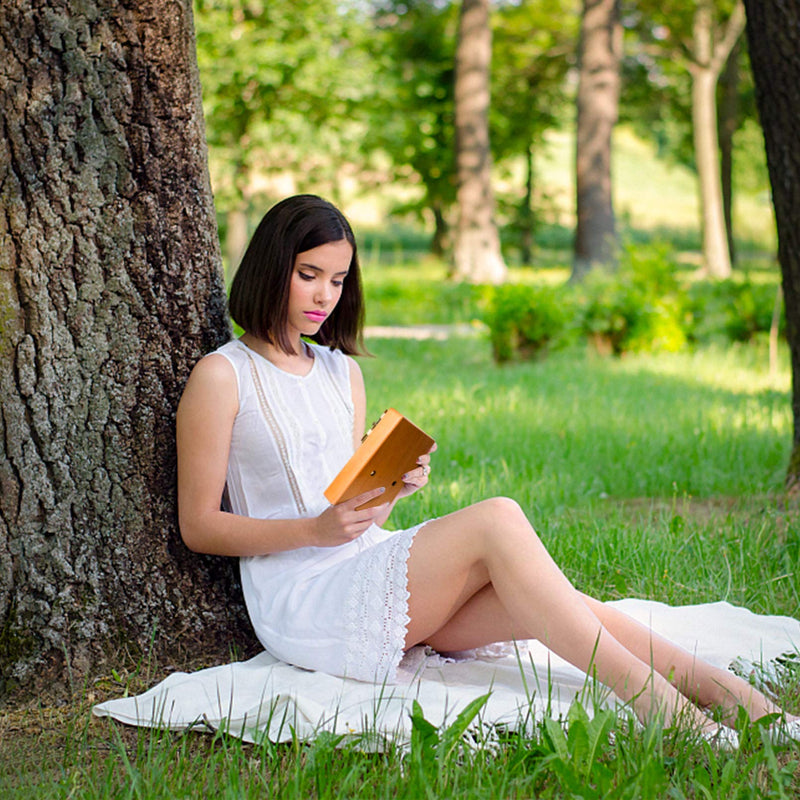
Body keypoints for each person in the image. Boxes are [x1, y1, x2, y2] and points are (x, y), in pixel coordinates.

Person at [177, 194, 797, 746]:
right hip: (304, 598)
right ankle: (671, 718)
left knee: (568, 607)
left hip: (370, 566)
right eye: (307, 275)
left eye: (337, 281)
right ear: (268, 270)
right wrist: (314, 531)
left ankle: (744, 703)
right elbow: (199, 525)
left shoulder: (342, 372)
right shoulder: (223, 375)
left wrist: (391, 485)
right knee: (498, 517)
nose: (323, 296)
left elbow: (351, 516)